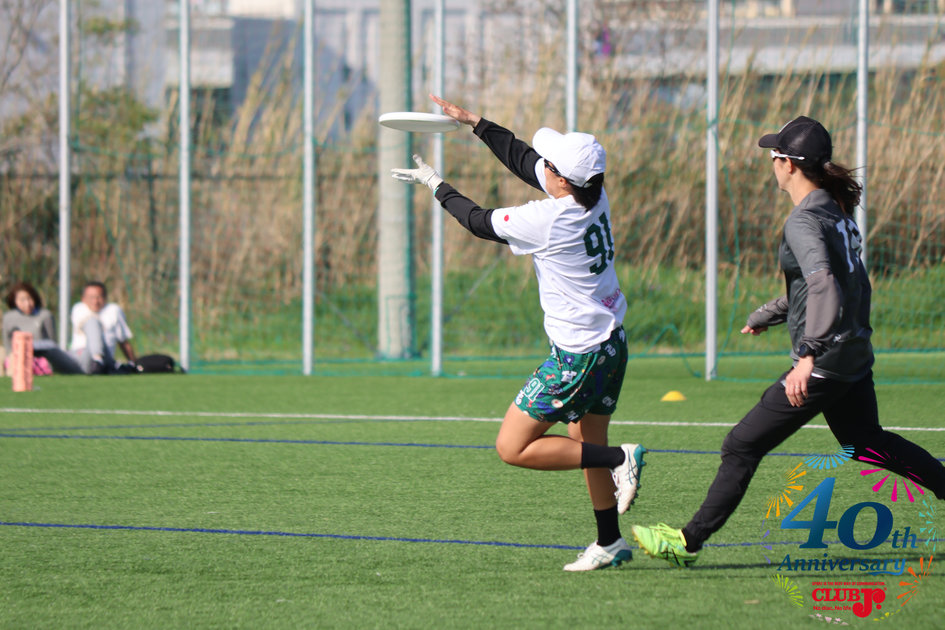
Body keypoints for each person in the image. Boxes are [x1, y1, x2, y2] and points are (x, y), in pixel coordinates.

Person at [631, 116, 945, 567]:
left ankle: (688, 542)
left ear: (789, 165)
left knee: (741, 445)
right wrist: (774, 312)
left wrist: (807, 355)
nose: (772, 165)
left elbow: (824, 286)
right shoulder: (837, 212)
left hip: (826, 360)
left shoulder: (804, 220)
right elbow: (840, 285)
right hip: (852, 355)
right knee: (865, 441)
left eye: (774, 156)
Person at [391, 94, 646, 571]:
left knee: (512, 446)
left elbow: (477, 221)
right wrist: (475, 122)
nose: (539, 165)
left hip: (578, 355)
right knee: (584, 443)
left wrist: (435, 184)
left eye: (549, 164)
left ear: (561, 179)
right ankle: (610, 540)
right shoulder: (594, 195)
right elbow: (525, 159)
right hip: (611, 343)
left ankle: (620, 459)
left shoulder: (548, 221)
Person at [3, 281, 83, 374]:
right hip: (15, 356)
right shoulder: (8, 317)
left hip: (39, 358)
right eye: (22, 300)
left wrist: (30, 346)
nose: (27, 303)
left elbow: (51, 344)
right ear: (14, 301)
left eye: (29, 298)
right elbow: (7, 343)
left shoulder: (45, 315)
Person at [69, 281, 137, 374]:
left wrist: (133, 363)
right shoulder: (79, 309)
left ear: (105, 298)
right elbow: (93, 327)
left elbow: (123, 341)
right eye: (91, 297)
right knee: (92, 322)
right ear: (83, 299)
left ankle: (99, 363)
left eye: (99, 297)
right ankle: (97, 361)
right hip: (80, 359)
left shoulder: (114, 310)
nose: (95, 302)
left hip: (106, 359)